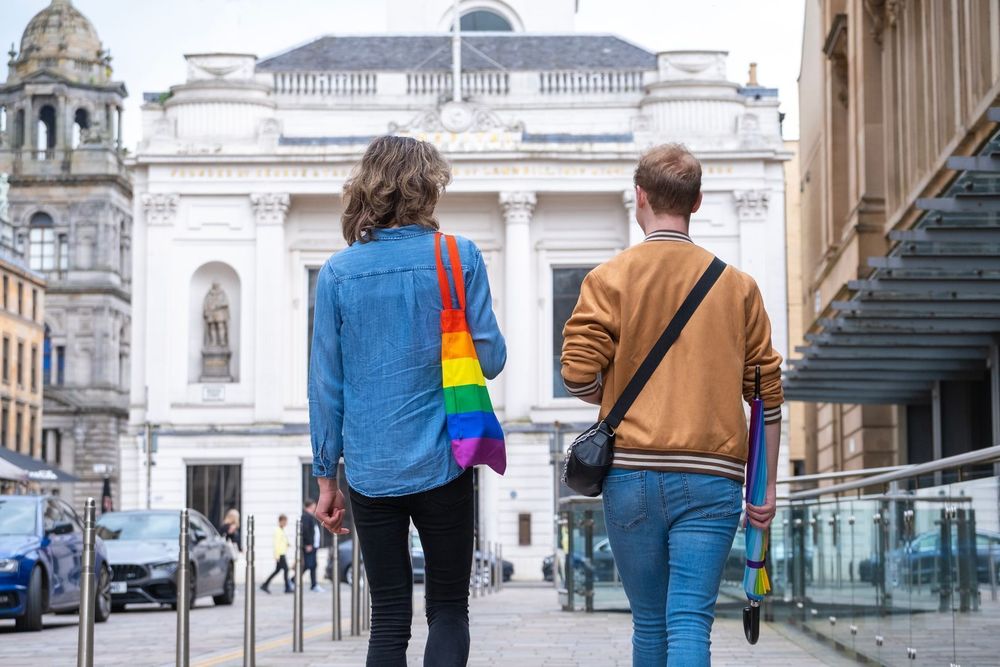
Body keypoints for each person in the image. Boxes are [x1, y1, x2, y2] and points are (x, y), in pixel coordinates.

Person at [561, 143, 783, 667]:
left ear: (639, 196)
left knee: (650, 621)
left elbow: (575, 372)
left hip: (632, 474)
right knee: (689, 620)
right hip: (713, 475)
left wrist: (606, 398)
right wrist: (766, 486)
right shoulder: (738, 288)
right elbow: (767, 393)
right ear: (697, 201)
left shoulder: (608, 278)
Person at [309, 135, 505, 666]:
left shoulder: (337, 273)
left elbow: (325, 387)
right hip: (445, 458)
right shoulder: (457, 256)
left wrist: (327, 480)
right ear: (428, 187)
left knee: (389, 616)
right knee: (447, 609)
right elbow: (490, 360)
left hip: (371, 468)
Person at [260, 514, 292, 594]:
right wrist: (276, 555)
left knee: (277, 571)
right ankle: (287, 587)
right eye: (285, 521)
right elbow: (276, 544)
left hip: (282, 553)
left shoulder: (281, 530)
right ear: (280, 521)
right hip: (280, 554)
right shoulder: (278, 530)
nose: (286, 523)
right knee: (286, 569)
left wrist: (287, 544)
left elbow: (282, 541)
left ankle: (265, 585)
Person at [299, 498, 324, 592]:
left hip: (313, 546)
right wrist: (308, 544)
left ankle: (313, 585)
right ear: (310, 506)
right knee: (309, 565)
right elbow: (305, 531)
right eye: (314, 505)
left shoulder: (310, 516)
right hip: (309, 546)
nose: (315, 506)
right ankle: (295, 580)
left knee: (311, 565)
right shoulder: (306, 516)